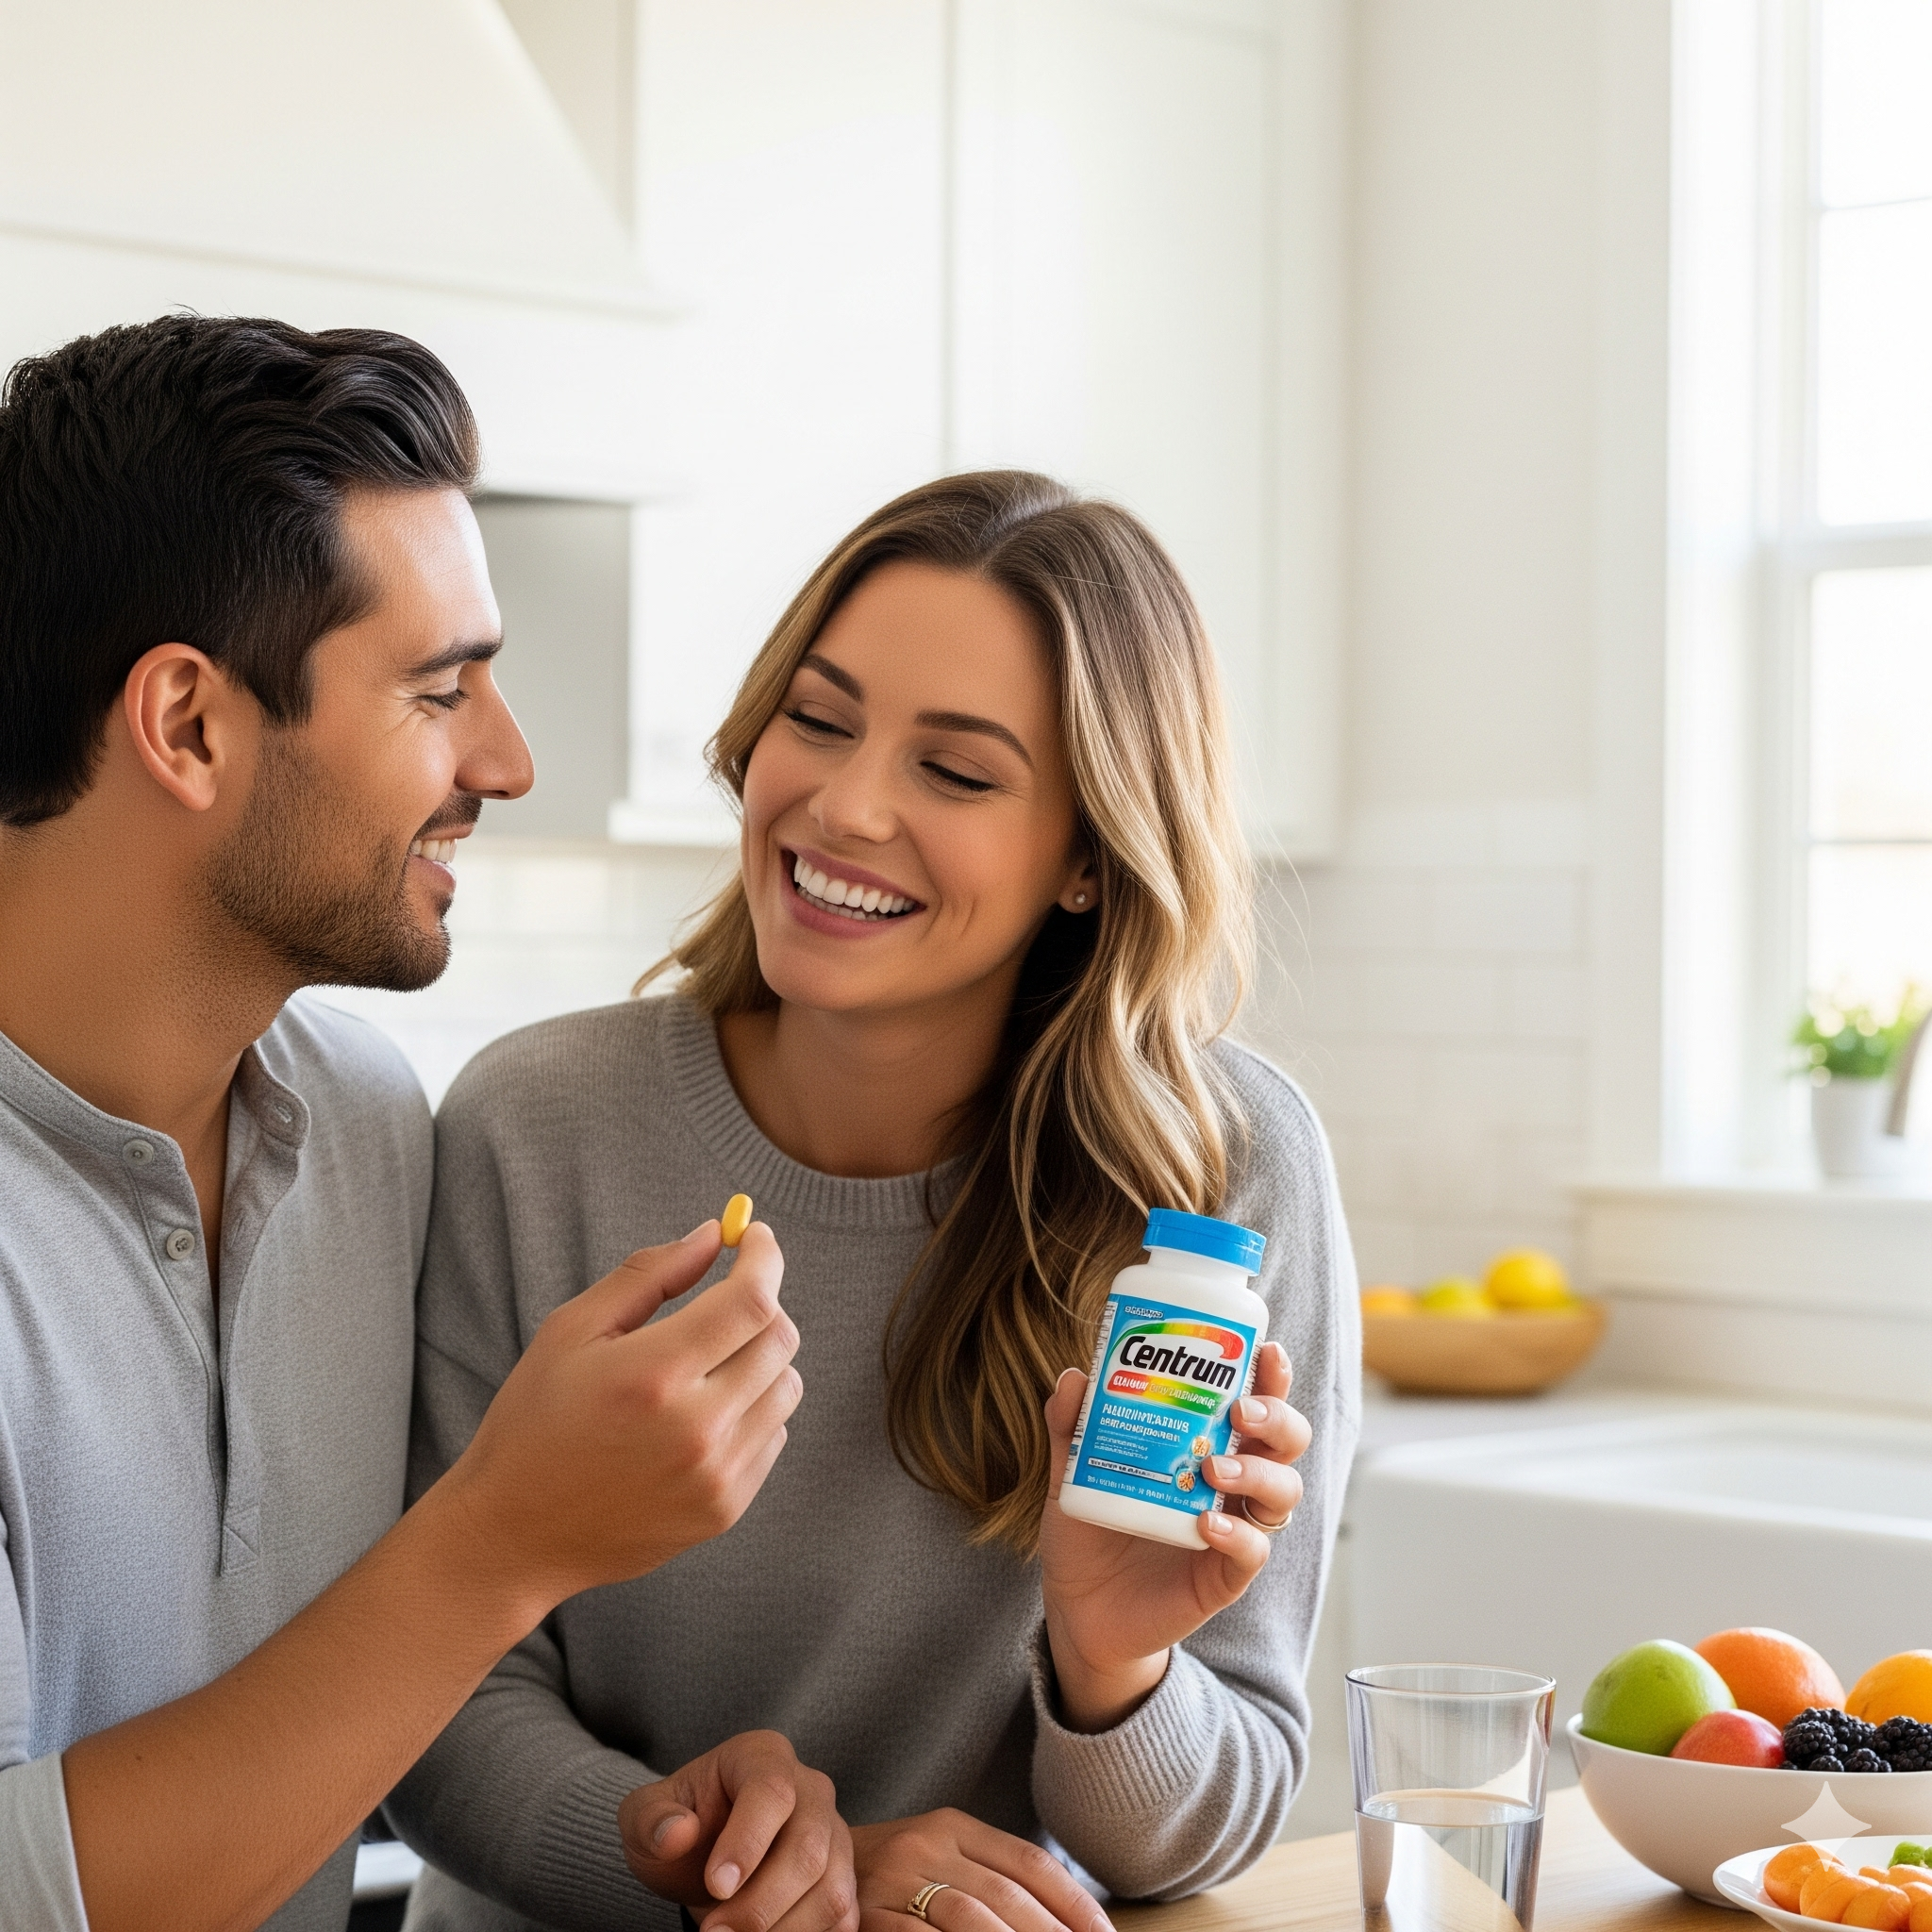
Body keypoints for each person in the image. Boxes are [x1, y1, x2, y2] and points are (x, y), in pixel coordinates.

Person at [389, 472, 1363, 1932]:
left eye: (957, 774)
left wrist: (1115, 1667)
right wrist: (718, 1865)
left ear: (1091, 858)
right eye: (819, 719)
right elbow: (433, 1700)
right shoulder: (535, 1130)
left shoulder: (1218, 1187)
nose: (843, 807)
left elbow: (1205, 1831)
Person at [0, 316, 851, 1932]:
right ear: (188, 725)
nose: (508, 760)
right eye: (440, 689)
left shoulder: (370, 1124)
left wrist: (652, 1828)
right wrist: (501, 1543)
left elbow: (358, 1720)